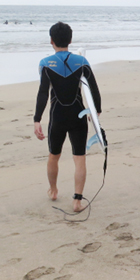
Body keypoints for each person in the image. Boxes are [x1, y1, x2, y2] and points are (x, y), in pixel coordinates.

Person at [34, 22, 102, 212]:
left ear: (51, 41)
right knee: (79, 158)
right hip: (78, 115)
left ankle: (53, 190)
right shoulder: (82, 62)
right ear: (70, 40)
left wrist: (37, 119)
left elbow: (43, 94)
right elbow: (94, 89)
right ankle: (77, 201)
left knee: (54, 156)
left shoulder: (46, 64)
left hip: (57, 117)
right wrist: (96, 112)